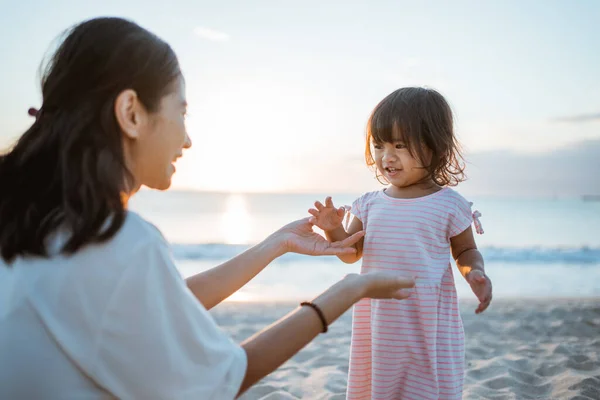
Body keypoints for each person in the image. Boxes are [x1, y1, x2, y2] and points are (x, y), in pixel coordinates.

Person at [0, 17, 416, 399]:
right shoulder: (120, 240)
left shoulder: (38, 222)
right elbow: (226, 379)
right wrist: (349, 290)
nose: (187, 140)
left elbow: (157, 301)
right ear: (131, 113)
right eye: (180, 111)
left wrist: (273, 245)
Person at [308, 87, 493, 399]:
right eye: (379, 145)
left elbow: (464, 250)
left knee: (426, 384)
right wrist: (333, 231)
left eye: (400, 145)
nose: (386, 157)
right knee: (381, 383)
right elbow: (352, 253)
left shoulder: (448, 204)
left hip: (426, 320)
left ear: (435, 147)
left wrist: (474, 272)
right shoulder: (369, 204)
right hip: (380, 320)